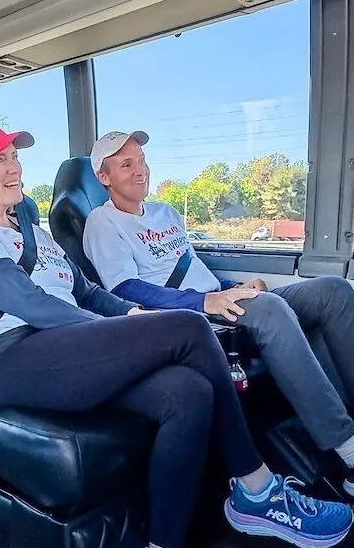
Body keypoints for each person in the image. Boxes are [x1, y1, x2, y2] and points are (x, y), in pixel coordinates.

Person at [0, 122, 353, 548]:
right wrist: (130, 336)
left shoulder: (34, 232)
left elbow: (86, 293)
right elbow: (30, 304)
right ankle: (255, 489)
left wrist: (134, 322)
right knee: (190, 328)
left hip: (64, 347)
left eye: (13, 156)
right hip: (7, 361)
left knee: (188, 391)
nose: (13, 166)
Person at [83, 130, 354, 499]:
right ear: (104, 177)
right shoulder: (103, 223)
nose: (139, 170)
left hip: (216, 300)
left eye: (141, 160)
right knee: (271, 308)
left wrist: (238, 285)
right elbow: (123, 289)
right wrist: (203, 302)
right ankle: (347, 447)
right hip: (186, 317)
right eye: (125, 164)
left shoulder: (168, 213)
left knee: (333, 290)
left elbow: (197, 271)